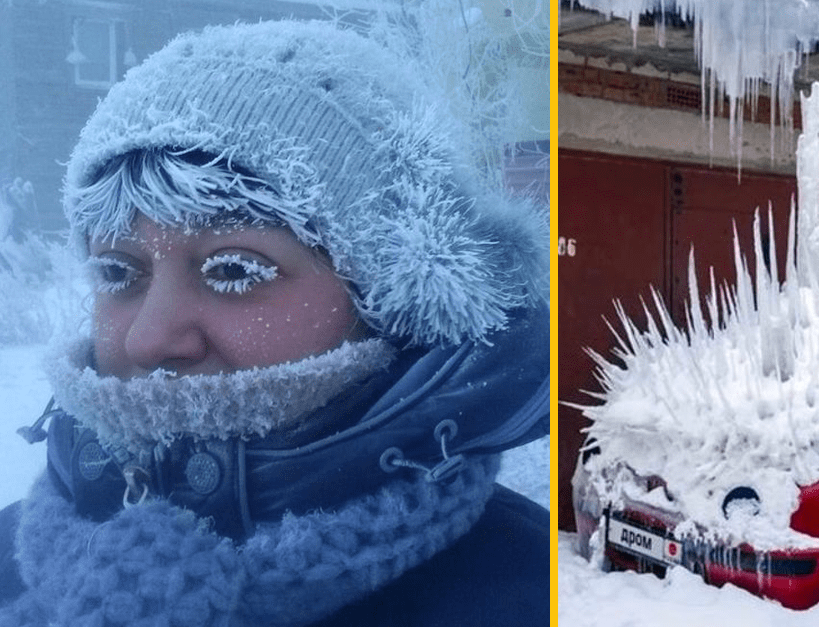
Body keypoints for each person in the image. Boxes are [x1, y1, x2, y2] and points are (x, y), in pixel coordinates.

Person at [0, 19, 550, 627]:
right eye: (117, 272)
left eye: (233, 269)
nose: (148, 338)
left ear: (387, 310)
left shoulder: (527, 594)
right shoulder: (9, 561)